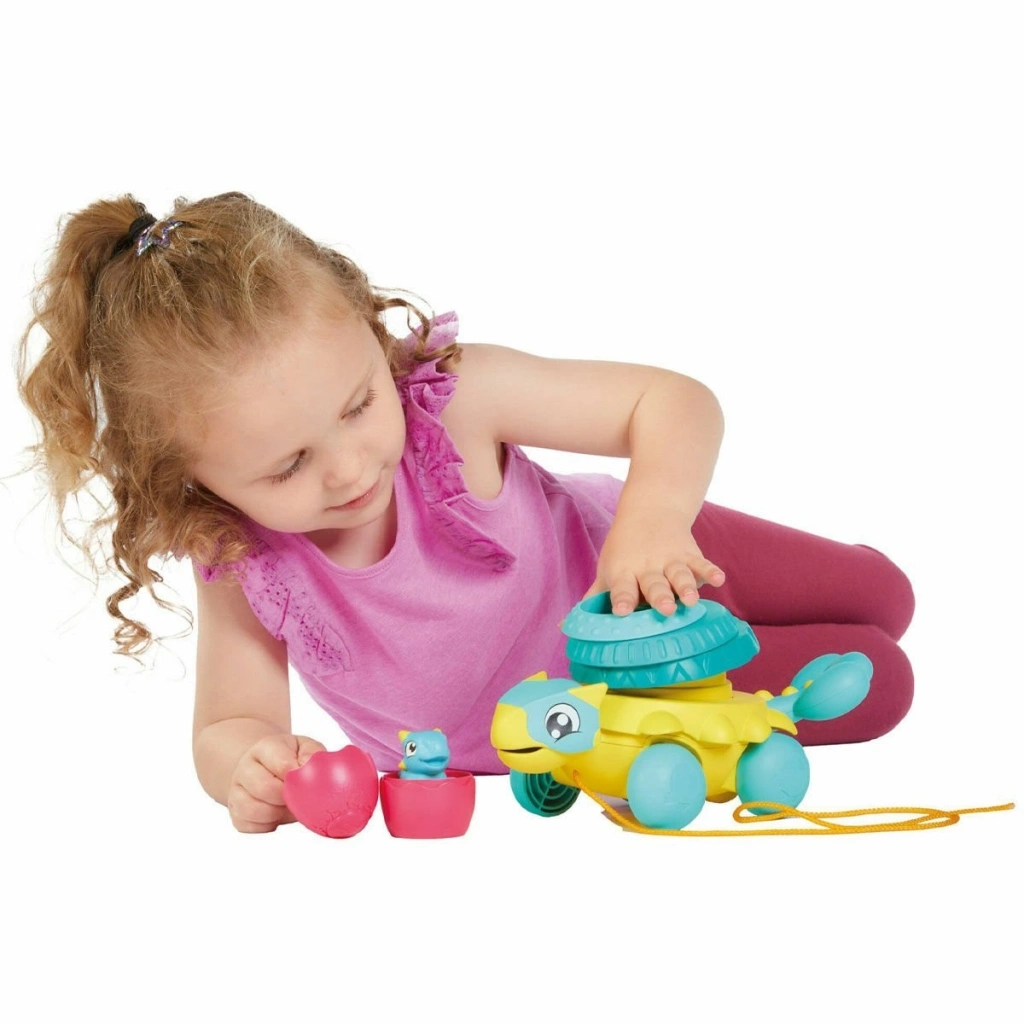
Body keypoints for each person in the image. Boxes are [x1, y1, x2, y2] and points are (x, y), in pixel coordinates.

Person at [15, 191, 915, 833]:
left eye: (359, 404)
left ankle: (806, 581)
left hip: (656, 552)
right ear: (195, 485)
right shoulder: (238, 557)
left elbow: (671, 402)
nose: (349, 468)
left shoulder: (455, 399)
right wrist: (250, 768)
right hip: (612, 712)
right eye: (288, 465)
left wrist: (653, 522)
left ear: (371, 331)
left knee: (883, 595)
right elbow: (228, 723)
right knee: (883, 680)